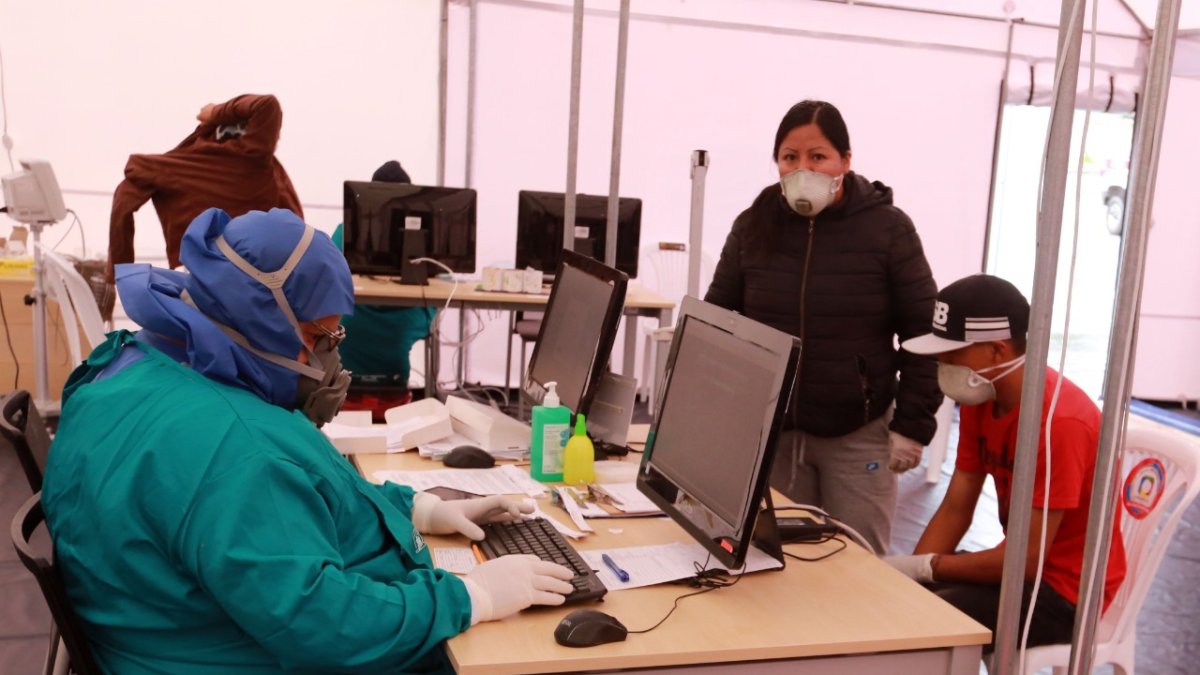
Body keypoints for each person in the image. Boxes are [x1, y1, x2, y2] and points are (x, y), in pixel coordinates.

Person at [42, 207, 574, 674]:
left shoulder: (133, 366)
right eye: (321, 339)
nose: (327, 362)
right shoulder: (239, 447)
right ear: (262, 318)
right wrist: (470, 597)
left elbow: (298, 498)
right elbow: (323, 626)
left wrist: (419, 510)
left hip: (166, 632)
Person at [704, 99, 942, 555]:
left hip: (858, 434)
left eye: (818, 156)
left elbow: (921, 331)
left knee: (860, 563)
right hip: (773, 431)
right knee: (775, 561)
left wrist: (912, 424)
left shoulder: (888, 231)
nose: (802, 168)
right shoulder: (754, 226)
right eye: (790, 157)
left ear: (845, 162)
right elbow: (718, 318)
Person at [887, 274, 1126, 652]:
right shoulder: (983, 396)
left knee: (922, 629)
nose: (941, 362)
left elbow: (1027, 561)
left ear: (997, 351)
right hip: (1019, 570)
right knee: (896, 606)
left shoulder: (1059, 422)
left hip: (1063, 592)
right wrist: (911, 576)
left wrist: (927, 567)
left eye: (952, 353)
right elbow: (956, 506)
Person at [107, 93, 303, 282]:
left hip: (203, 281)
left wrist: (119, 270)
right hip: (266, 279)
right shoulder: (254, 157)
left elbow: (122, 201)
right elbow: (267, 105)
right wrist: (214, 112)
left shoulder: (178, 165)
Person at [332, 160, 436, 419]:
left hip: (350, 331)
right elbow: (439, 285)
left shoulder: (346, 231)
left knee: (341, 320)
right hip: (401, 336)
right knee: (422, 317)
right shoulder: (423, 234)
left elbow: (327, 277)